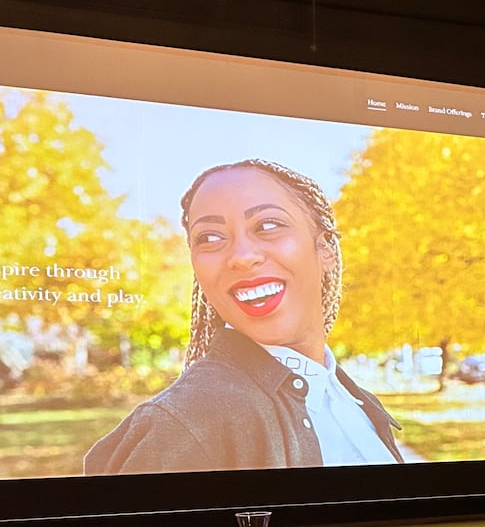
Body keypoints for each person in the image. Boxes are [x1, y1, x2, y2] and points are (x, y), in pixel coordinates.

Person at [85, 159, 403, 474]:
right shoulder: (186, 421)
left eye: (267, 225)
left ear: (325, 250)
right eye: (209, 237)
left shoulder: (353, 399)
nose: (241, 257)